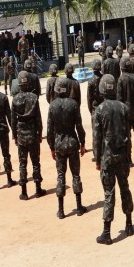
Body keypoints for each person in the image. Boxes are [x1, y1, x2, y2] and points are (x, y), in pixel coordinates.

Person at [92, 74, 134, 245]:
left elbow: (97, 138)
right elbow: (128, 135)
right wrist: (129, 156)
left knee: (109, 193)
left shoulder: (100, 110)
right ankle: (129, 224)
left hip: (107, 158)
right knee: (125, 188)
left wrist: (97, 159)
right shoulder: (123, 108)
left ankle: (107, 232)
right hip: (122, 155)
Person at [47, 76, 88, 219]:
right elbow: (79, 126)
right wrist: (83, 143)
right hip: (72, 143)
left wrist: (51, 146)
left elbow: (49, 129)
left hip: (59, 144)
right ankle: (78, 207)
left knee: (60, 175)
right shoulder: (73, 104)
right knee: (76, 175)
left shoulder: (52, 105)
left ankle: (61, 210)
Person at [11, 71, 47, 200]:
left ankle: (24, 191)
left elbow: (13, 120)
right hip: (32, 133)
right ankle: (38, 189)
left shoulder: (15, 99)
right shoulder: (33, 97)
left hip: (21, 134)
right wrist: (40, 132)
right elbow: (38, 117)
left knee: (22, 163)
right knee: (35, 162)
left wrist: (14, 135)